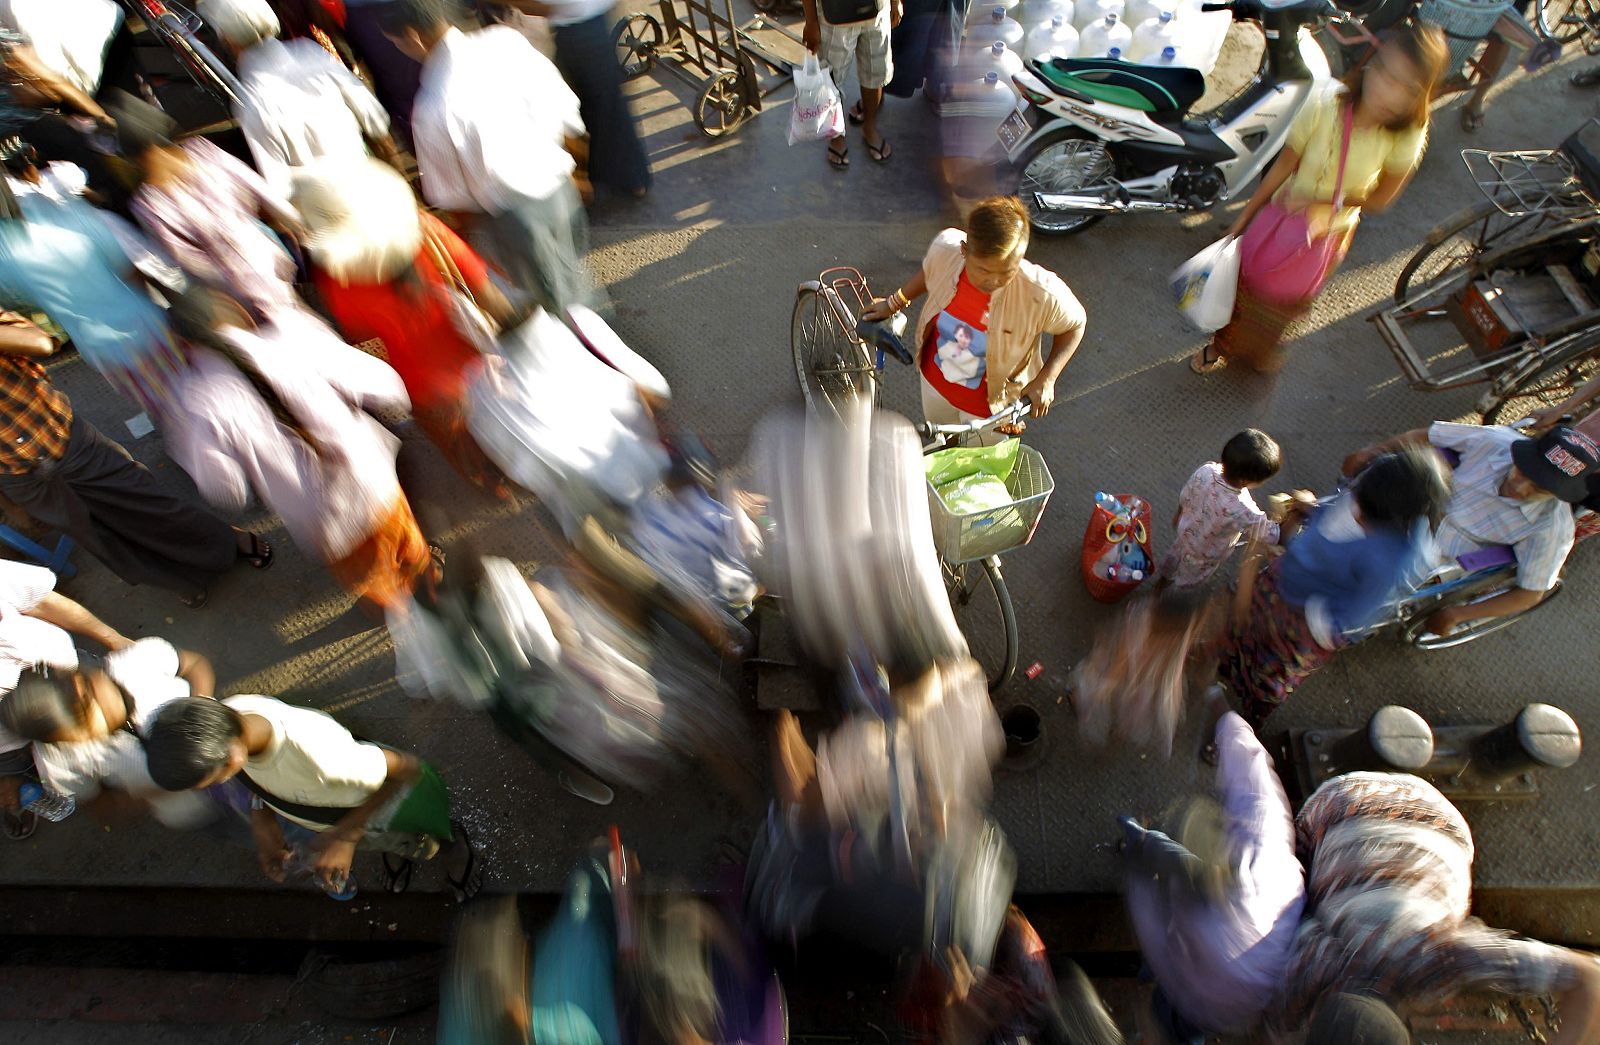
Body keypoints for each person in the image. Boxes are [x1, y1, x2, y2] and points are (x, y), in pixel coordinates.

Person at [1265, 771, 1600, 1041]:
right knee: (1305, 886)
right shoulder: (1308, 964)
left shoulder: (1443, 959)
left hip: (1429, 816)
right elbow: (1588, 974)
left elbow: (1588, 975)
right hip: (1344, 804)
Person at [1192, 24, 1446, 375]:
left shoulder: (1411, 132)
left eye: (1407, 87)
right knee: (1245, 291)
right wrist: (1240, 222)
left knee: (1284, 307)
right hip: (1279, 219)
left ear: (1421, 95)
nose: (1390, 92)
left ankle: (1259, 353)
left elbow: (1381, 199)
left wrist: (1319, 200)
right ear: (1373, 64)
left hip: (1329, 236)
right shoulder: (1324, 104)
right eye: (1387, 74)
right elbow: (1281, 169)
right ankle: (1222, 347)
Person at [162, 290, 436, 612]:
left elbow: (226, 490)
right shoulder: (291, 335)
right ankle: (432, 590)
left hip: (327, 524)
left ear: (185, 346)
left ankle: (403, 618)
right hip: (374, 484)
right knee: (413, 552)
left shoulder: (196, 402)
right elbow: (386, 386)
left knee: (377, 590)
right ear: (235, 311)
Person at [0, 310, 272, 608]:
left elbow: (42, 343)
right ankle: (178, 580)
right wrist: (10, 504)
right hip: (19, 477)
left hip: (67, 439)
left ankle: (227, 540)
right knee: (104, 541)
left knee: (146, 502)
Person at [293, 156, 516, 497]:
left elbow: (359, 334)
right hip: (480, 364)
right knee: (504, 427)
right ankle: (515, 470)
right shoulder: (426, 229)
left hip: (423, 386)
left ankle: (490, 485)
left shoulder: (337, 280)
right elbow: (487, 293)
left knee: (459, 445)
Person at [143, 694, 483, 902]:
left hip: (384, 807)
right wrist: (263, 819)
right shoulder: (228, 716)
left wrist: (346, 836)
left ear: (232, 758)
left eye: (210, 781)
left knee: (424, 839)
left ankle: (453, 846)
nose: (209, 789)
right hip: (340, 815)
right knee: (387, 843)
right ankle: (396, 848)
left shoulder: (318, 757)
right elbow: (257, 780)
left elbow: (407, 771)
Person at [382, 0, 601, 317]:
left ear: (412, 36)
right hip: (561, 186)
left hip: (516, 216)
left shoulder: (432, 106)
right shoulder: (505, 42)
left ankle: (586, 349)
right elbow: (568, 114)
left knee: (554, 301)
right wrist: (576, 171)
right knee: (570, 272)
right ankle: (592, 326)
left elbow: (452, 197)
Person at [1218, 446, 1449, 730]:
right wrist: (1311, 509)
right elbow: (1340, 504)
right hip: (1285, 580)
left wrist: (1299, 603)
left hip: (1303, 626)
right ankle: (1227, 666)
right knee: (1241, 630)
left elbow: (1350, 622)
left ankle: (1246, 722)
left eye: (1364, 515)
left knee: (1269, 673)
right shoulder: (1381, 481)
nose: (1356, 513)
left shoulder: (1398, 563)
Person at [1120, 700, 1306, 1043]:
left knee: (1173, 1012)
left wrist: (1136, 865)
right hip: (1249, 999)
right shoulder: (1266, 853)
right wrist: (1228, 720)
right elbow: (1255, 784)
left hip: (1204, 997)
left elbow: (1155, 932)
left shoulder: (1203, 931)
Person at [1342, 423, 1600, 639]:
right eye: (1523, 472)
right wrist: (1377, 450)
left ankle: (1346, 627)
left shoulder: (1552, 528)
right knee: (1336, 516)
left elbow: (1530, 593)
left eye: (1539, 489)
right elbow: (1427, 434)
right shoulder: (1495, 441)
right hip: (1416, 501)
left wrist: (1458, 614)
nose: (1520, 488)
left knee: (1367, 592)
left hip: (1436, 553)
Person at [860, 195, 1087, 425]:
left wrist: (1048, 378)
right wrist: (894, 302)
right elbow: (930, 270)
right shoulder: (945, 249)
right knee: (942, 447)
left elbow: (1075, 324)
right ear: (964, 250)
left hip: (992, 412)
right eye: (984, 270)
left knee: (980, 461)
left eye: (1007, 271)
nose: (994, 281)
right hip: (934, 387)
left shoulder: (1041, 291)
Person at [0, 178, 186, 413]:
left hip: (105, 349)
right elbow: (130, 272)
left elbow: (19, 307)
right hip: (149, 321)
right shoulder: (71, 212)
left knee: (168, 409)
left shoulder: (5, 259)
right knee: (196, 386)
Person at [117, 95, 303, 322]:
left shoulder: (154, 199)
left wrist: (290, 219)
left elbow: (255, 186)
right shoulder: (151, 202)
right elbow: (186, 258)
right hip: (247, 278)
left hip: (257, 267)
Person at [196, 0, 397, 199]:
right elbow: (376, 124)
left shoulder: (250, 102)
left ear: (226, 39)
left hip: (328, 209)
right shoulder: (313, 53)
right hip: (372, 182)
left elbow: (280, 185)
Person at [1, 640, 215, 823]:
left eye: (82, 727)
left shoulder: (137, 662)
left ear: (79, 687)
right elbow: (98, 804)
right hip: (195, 804)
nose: (86, 740)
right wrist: (154, 792)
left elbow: (195, 663)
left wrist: (202, 709)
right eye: (68, 741)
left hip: (223, 735)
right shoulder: (58, 762)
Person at [0, 559, 129, 838]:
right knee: (25, 781)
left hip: (69, 682)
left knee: (126, 728)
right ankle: (23, 788)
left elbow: (40, 601)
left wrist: (114, 640)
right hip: (7, 747)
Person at [481, 0, 651, 199]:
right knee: (596, 104)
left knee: (599, 105)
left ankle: (626, 179)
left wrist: (546, 10)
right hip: (577, 23)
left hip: (579, 24)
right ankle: (616, 178)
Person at [1069, 588, 1222, 759]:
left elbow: (1122, 664)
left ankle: (1096, 709)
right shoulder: (1150, 625)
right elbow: (1121, 661)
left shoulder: (1154, 619)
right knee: (1112, 700)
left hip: (1139, 677)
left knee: (1106, 696)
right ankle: (1105, 718)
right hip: (1134, 676)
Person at [1158, 429, 1282, 590]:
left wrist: (1179, 514)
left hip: (1185, 533)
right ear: (1248, 480)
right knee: (1189, 577)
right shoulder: (1244, 509)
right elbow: (1271, 535)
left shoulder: (1207, 470)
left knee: (1173, 559)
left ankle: (1160, 584)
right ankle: (1173, 595)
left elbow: (1186, 493)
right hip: (1204, 554)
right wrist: (1289, 516)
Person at [801, 0, 902, 169]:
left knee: (875, 74)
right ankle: (836, 136)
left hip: (877, 13)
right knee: (831, 79)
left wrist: (895, 2)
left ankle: (869, 127)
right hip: (834, 18)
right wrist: (811, 22)